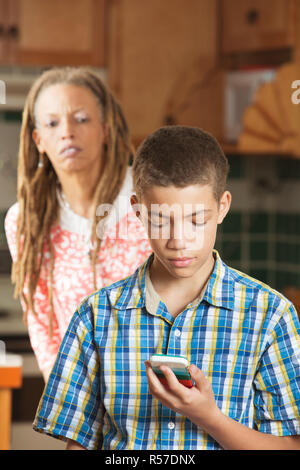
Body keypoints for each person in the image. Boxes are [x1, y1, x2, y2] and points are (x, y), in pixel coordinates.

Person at [32, 126, 300, 450]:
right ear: (137, 211)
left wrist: (210, 417)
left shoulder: (271, 316)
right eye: (161, 220)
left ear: (223, 206)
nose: (178, 241)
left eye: (196, 220)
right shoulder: (95, 316)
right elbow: (79, 443)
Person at [4, 67, 152, 381]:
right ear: (39, 139)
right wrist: (63, 396)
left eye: (81, 118)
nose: (67, 131)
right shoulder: (25, 220)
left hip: (159, 397)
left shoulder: (151, 203)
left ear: (106, 129)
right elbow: (41, 322)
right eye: (52, 123)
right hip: (82, 404)